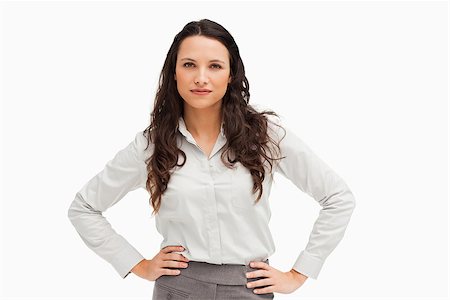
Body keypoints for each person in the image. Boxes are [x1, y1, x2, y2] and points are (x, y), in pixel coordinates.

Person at [67, 19, 356, 299]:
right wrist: (138, 264)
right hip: (179, 288)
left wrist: (299, 274)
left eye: (215, 66)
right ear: (175, 72)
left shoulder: (264, 135)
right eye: (189, 64)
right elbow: (84, 208)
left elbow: (338, 197)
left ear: (231, 74)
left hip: (249, 288)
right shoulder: (152, 144)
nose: (201, 77)